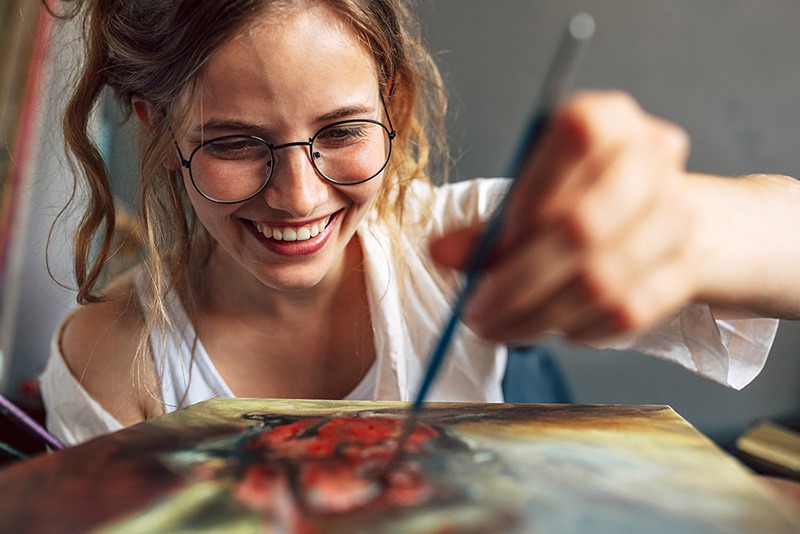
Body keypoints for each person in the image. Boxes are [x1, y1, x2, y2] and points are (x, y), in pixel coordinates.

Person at [39, 0, 795, 446]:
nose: (299, 198)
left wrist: (683, 228)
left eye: (342, 132)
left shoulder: (460, 245)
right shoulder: (109, 367)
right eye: (235, 144)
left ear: (393, 105)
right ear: (157, 125)